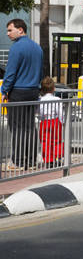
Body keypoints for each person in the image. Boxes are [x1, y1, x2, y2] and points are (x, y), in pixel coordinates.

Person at [1, 19, 43, 170]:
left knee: (17, 127)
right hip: (33, 91)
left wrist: (4, 90)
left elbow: (10, 73)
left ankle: (17, 161)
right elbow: (41, 71)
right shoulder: (37, 48)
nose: (8, 34)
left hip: (18, 91)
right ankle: (31, 161)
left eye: (10, 30)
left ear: (20, 30)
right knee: (29, 126)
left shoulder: (16, 48)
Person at [38, 77, 64, 165]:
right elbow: (60, 112)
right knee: (57, 140)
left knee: (45, 141)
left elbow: (39, 112)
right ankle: (59, 156)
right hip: (55, 121)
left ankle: (49, 160)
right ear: (53, 88)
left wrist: (42, 118)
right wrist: (62, 122)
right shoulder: (57, 99)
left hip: (44, 121)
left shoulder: (40, 100)